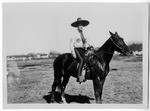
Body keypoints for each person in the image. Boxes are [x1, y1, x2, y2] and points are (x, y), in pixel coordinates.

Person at [71, 17, 90, 83]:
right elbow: (71, 43)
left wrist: (91, 46)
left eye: (82, 25)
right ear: (77, 26)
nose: (81, 26)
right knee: (82, 60)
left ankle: (85, 75)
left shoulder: (83, 34)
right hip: (77, 49)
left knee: (88, 59)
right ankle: (79, 77)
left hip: (83, 49)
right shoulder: (75, 34)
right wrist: (73, 52)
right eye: (79, 25)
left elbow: (87, 42)